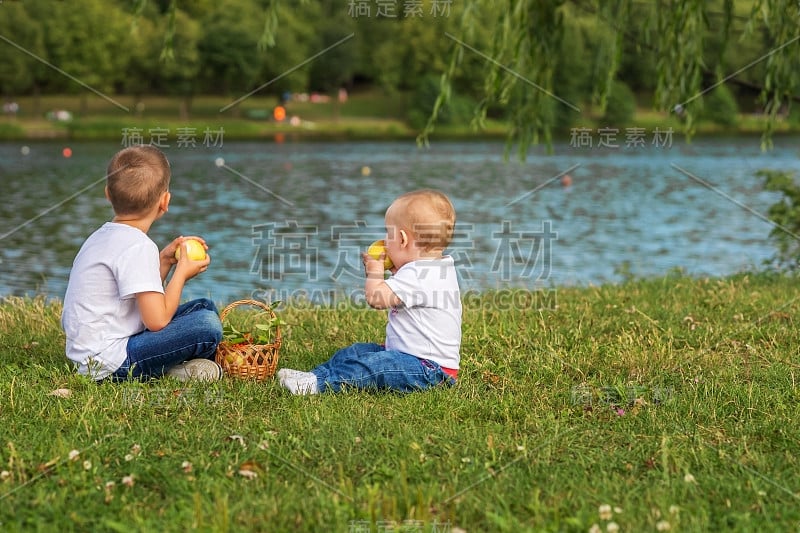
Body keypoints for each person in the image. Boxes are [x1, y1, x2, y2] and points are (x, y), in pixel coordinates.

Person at [61, 145, 223, 382]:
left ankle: (174, 366)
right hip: (110, 363)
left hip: (95, 351)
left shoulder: (102, 236)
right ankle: (172, 371)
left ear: (108, 193)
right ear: (165, 201)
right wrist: (180, 275)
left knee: (203, 307)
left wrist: (164, 261)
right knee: (207, 325)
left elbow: (140, 291)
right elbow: (157, 321)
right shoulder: (138, 245)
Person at [278, 189, 461, 395]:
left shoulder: (419, 274)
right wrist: (398, 270)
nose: (384, 240)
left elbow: (377, 298)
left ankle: (317, 385)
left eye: (387, 233)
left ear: (402, 240)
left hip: (427, 370)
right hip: (413, 358)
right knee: (356, 352)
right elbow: (410, 291)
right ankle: (314, 376)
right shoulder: (435, 268)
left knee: (372, 366)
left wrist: (375, 273)